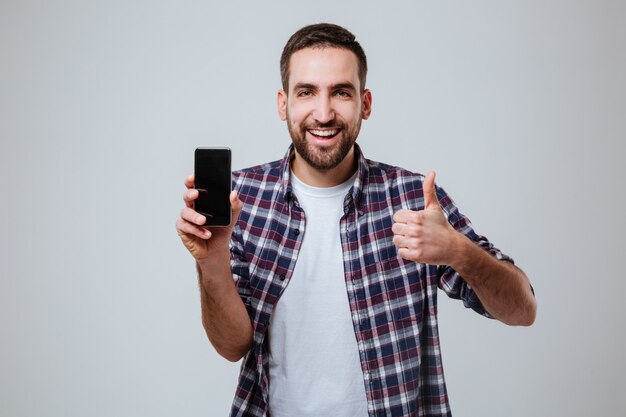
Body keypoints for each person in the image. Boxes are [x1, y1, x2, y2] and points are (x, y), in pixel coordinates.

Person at [176, 23, 536, 417]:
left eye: (341, 92)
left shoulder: (413, 198)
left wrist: (458, 252)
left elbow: (522, 310)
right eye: (307, 92)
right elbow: (232, 347)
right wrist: (211, 263)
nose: (324, 113)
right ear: (283, 104)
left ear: (365, 103)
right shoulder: (242, 199)